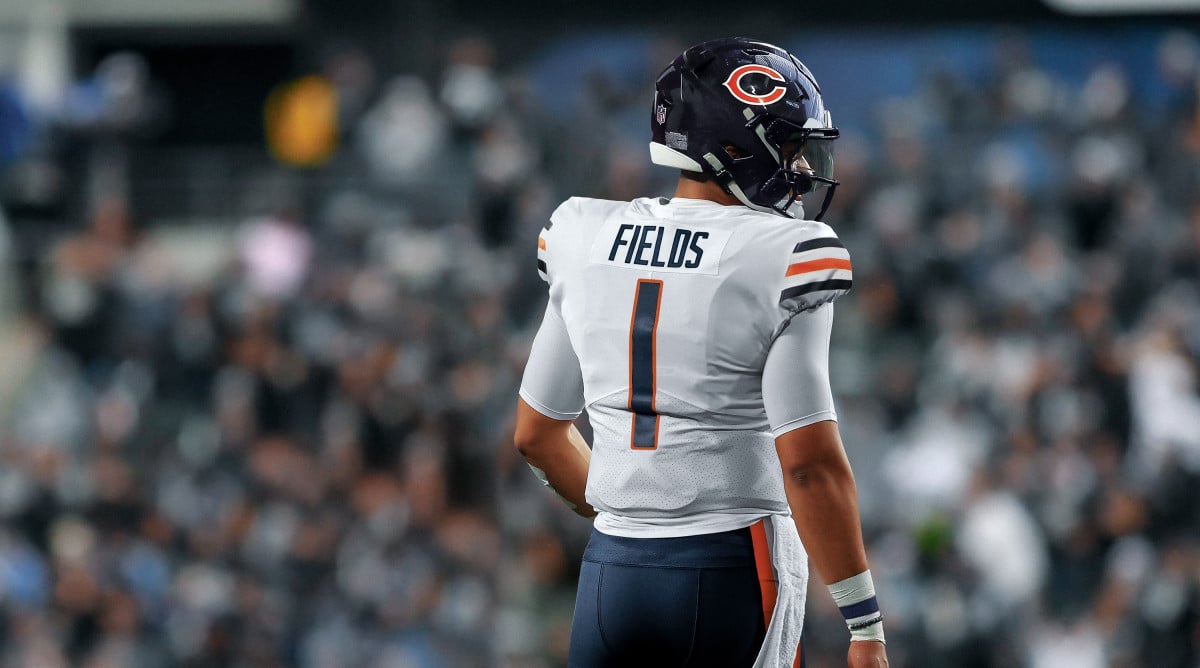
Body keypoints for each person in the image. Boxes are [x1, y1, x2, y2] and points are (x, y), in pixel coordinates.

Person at [513, 37, 889, 668]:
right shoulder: (786, 253)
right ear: (734, 146)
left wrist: (637, 518)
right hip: (730, 563)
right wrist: (864, 624)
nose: (802, 168)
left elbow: (536, 435)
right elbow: (808, 464)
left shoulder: (583, 233)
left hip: (612, 570)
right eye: (791, 147)